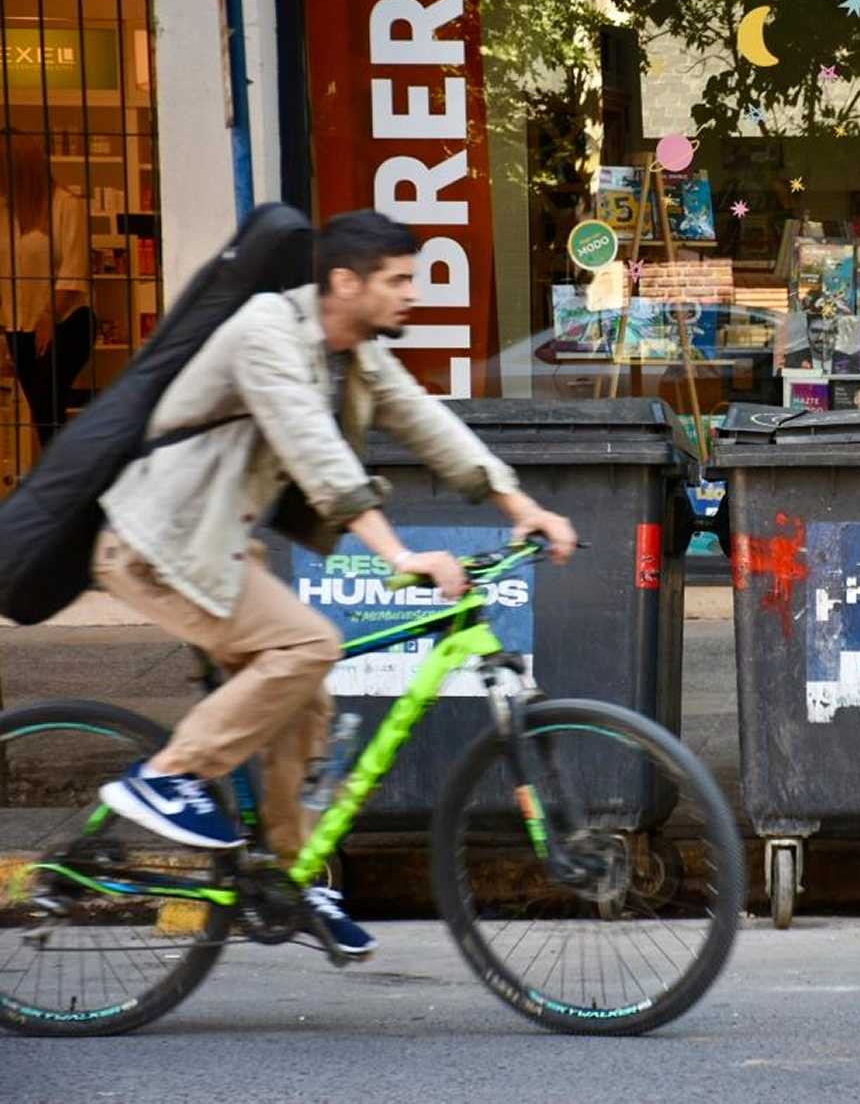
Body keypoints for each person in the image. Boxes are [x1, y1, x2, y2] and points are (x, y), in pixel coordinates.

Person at [92, 210, 578, 958]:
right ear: (345, 282)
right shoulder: (267, 332)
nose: (413, 293)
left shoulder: (353, 352)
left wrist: (520, 503)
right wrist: (399, 553)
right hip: (157, 544)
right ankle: (166, 775)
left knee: (304, 691)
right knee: (308, 643)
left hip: (218, 548)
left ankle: (292, 874)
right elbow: (316, 453)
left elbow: (425, 422)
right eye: (398, 280)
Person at [1, 131, 93, 453]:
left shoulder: (65, 205)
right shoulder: (5, 213)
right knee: (43, 416)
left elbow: (74, 266)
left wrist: (48, 316)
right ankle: (68, 485)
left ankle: (68, 483)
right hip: (18, 327)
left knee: (46, 407)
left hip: (64, 321)